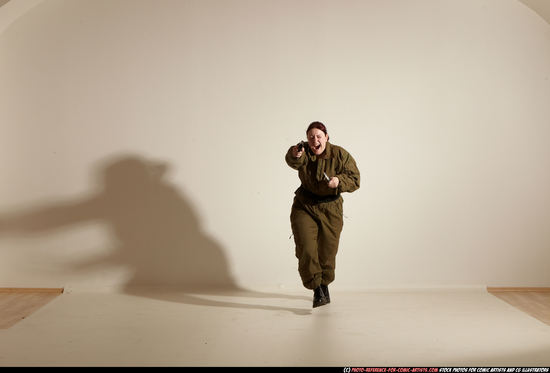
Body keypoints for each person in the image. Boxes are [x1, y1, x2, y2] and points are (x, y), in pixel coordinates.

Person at [285, 121, 360, 308]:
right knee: (307, 248)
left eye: (319, 136)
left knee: (327, 252)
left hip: (331, 209)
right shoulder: (305, 151)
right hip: (305, 205)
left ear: (326, 137)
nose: (315, 140)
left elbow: (355, 179)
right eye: (311, 137)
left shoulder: (340, 154)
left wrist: (339, 181)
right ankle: (317, 289)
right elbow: (294, 160)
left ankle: (324, 284)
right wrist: (295, 153)